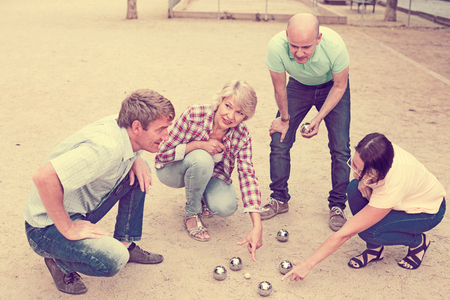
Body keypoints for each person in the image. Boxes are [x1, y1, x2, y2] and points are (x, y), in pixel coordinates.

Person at [23, 89, 175, 295]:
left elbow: (131, 147)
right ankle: (58, 260)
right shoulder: (105, 148)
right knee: (113, 259)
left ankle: (127, 242)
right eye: (161, 129)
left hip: (80, 207)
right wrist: (68, 228)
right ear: (137, 127)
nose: (167, 136)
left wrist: (136, 158)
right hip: (44, 227)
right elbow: (43, 177)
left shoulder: (128, 129)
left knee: (142, 169)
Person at [282, 133, 446, 282]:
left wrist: (308, 264)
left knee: (369, 231)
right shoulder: (378, 151)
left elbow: (345, 233)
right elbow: (361, 176)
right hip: (400, 198)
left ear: (379, 172)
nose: (354, 173)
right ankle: (375, 250)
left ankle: (418, 242)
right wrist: (363, 178)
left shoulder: (392, 184)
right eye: (354, 165)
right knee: (354, 188)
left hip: (426, 211)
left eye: (362, 172)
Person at [155, 80, 263, 261]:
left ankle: (202, 195)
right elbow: (162, 153)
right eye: (228, 106)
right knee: (202, 158)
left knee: (226, 207)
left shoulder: (242, 135)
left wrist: (257, 225)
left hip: (210, 173)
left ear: (245, 117)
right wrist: (199, 145)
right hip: (172, 169)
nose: (230, 116)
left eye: (239, 113)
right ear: (220, 101)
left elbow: (247, 175)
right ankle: (192, 213)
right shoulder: (194, 114)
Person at [262, 13, 351, 231]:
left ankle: (338, 205)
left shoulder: (335, 46)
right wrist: (284, 119)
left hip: (331, 87)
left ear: (318, 39)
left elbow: (340, 86)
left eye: (306, 47)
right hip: (298, 86)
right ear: (286, 36)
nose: (299, 53)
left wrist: (318, 118)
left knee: (340, 147)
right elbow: (279, 88)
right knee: (279, 140)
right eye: (294, 46)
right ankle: (279, 198)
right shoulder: (276, 47)